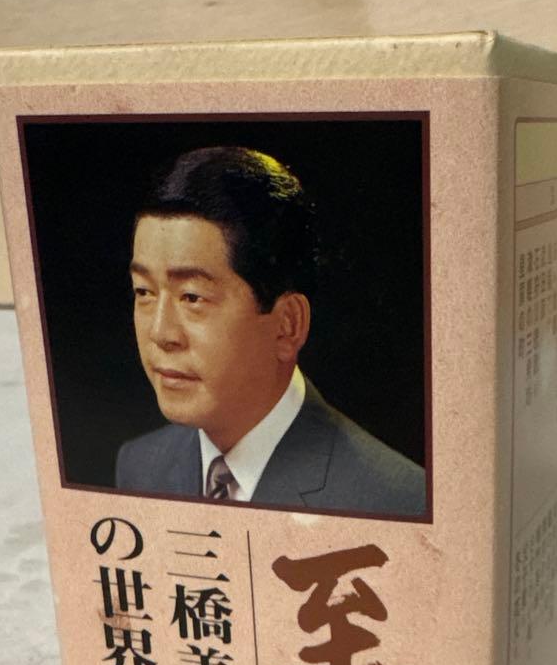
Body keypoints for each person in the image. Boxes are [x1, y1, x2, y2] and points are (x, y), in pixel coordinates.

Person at [115, 146, 426, 517]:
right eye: (144, 292)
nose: (161, 333)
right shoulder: (139, 464)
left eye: (192, 297)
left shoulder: (395, 499)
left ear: (287, 325)